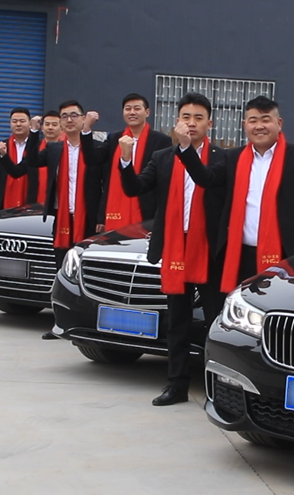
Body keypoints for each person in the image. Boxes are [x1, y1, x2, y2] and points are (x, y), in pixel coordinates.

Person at [114, 92, 226, 406]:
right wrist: (126, 159)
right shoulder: (163, 157)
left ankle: (219, 390)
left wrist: (186, 150)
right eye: (186, 117)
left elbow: (205, 179)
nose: (191, 123)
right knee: (177, 321)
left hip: (209, 250)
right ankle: (176, 385)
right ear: (176, 121)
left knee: (215, 321)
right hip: (176, 247)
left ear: (210, 124)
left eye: (198, 118)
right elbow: (135, 188)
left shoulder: (222, 157)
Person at [217, 95, 294, 293]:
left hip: (288, 255)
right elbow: (207, 181)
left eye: (266, 119)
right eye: (253, 121)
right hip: (241, 254)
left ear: (279, 123)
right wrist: (186, 149)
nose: (259, 126)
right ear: (244, 125)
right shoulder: (233, 158)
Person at [94, 93, 172, 233]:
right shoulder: (115, 139)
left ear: (147, 112)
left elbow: (164, 179)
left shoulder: (161, 141)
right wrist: (101, 216)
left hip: (148, 210)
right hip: (116, 208)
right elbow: (97, 164)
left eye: (137, 108)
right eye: (128, 109)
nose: (132, 112)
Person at [39, 100, 102, 266]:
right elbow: (31, 162)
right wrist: (33, 132)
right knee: (61, 266)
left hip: (90, 219)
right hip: (62, 216)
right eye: (64, 116)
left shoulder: (98, 148)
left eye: (74, 115)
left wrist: (102, 217)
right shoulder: (54, 149)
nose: (69, 120)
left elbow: (105, 185)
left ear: (83, 118)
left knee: (87, 267)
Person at [0, 107, 43, 210]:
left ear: (30, 124)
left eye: (22, 121)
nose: (18, 124)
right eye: (14, 121)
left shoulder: (39, 145)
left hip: (31, 199)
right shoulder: (2, 145)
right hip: (6, 201)